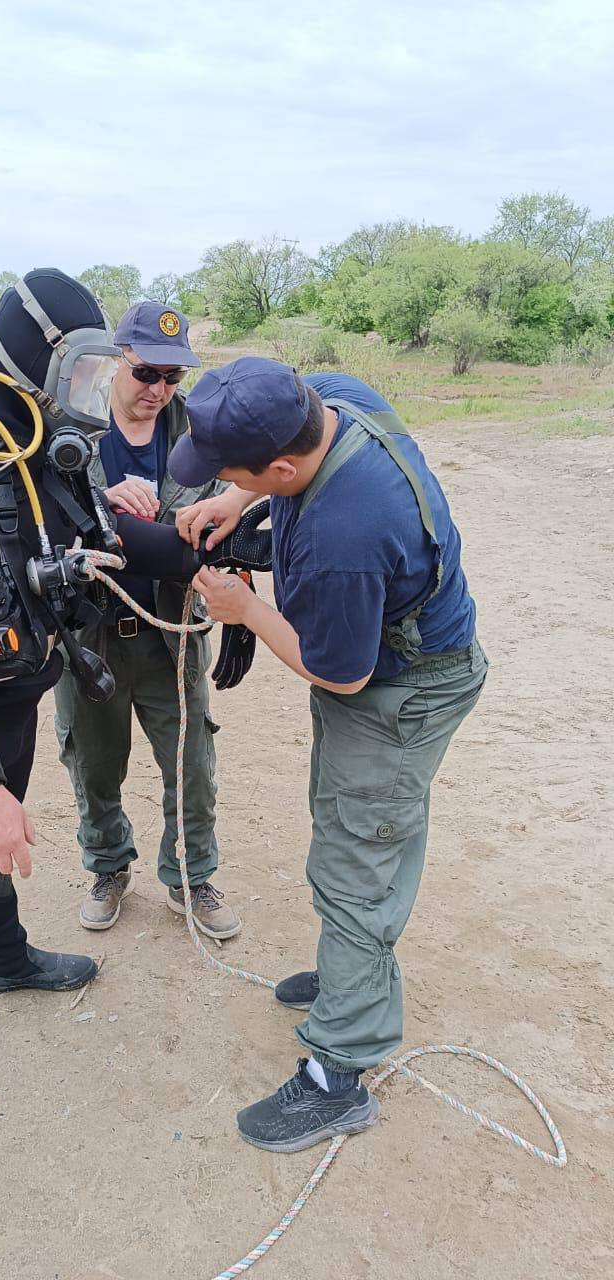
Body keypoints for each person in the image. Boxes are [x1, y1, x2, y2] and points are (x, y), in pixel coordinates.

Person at [0, 271, 268, 1229]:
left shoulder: (35, 448)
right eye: (83, 364)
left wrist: (219, 556)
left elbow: (110, 540)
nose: (97, 383)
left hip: (11, 699)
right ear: (30, 353)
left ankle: (8, 960)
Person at [171, 357, 488, 1155]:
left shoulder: (346, 533)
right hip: (404, 660)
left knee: (356, 860)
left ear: (284, 464)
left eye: (236, 471)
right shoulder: (332, 400)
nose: (225, 482)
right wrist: (231, 497)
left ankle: (338, 1073)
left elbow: (338, 671)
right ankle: (353, 983)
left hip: (399, 690)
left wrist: (242, 607)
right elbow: (309, 398)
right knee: (352, 830)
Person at [54, 302, 241, 940]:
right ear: (114, 364)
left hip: (172, 636)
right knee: (94, 765)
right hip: (90, 637)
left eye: (172, 378)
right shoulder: (65, 428)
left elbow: (234, 516)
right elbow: (29, 518)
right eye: (145, 375)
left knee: (192, 762)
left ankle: (191, 875)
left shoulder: (202, 437)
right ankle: (108, 867)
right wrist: (95, 499)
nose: (158, 390)